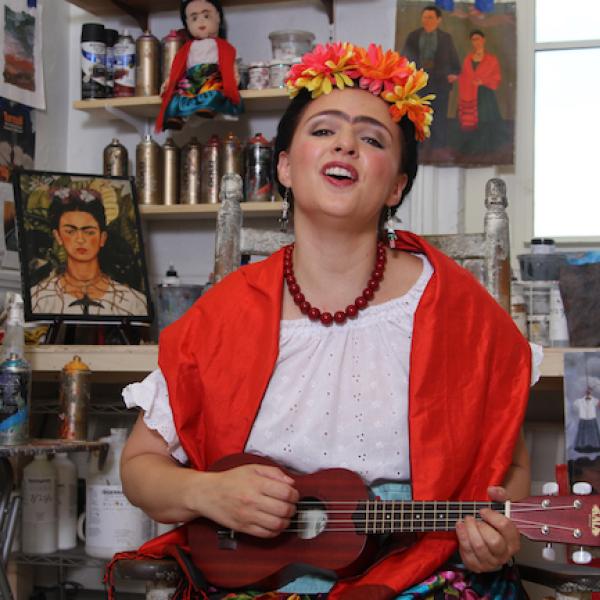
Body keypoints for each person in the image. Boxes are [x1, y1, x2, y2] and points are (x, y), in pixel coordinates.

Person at [115, 42, 539, 599]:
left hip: (418, 568)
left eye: (372, 138)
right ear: (285, 168)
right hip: (259, 578)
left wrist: (498, 533)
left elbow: (509, 467)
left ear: (396, 186)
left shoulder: (457, 308)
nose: (345, 143)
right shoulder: (225, 313)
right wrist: (207, 495)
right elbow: (140, 468)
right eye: (323, 130)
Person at [30, 188, 148, 317]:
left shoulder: (133, 302)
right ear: (58, 236)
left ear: (102, 238)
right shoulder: (38, 299)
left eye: (89, 232)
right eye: (70, 231)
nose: (80, 239)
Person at [155, 0, 242, 132]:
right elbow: (177, 69)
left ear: (217, 17)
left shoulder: (222, 46)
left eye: (206, 16)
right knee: (179, 94)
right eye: (194, 18)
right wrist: (168, 83)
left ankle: (208, 107)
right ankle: (177, 117)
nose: (200, 22)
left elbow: (229, 64)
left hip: (212, 74)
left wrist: (234, 77)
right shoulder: (186, 49)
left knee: (212, 88)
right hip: (192, 76)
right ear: (187, 23)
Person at [402, 5, 460, 153]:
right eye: (424, 17)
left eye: (430, 17)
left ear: (439, 20)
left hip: (440, 83)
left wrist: (454, 74)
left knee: (439, 115)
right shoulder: (413, 36)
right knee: (417, 115)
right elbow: (403, 59)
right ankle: (418, 148)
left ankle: (438, 147)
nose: (426, 20)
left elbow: (455, 62)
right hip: (418, 83)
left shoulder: (446, 39)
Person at [457, 30, 506, 157]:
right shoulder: (468, 59)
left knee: (485, 121)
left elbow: (497, 78)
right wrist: (459, 78)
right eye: (473, 40)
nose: (476, 42)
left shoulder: (492, 60)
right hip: (469, 94)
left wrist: (482, 81)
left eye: (478, 39)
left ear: (483, 40)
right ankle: (472, 149)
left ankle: (486, 150)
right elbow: (464, 76)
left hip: (485, 94)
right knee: (471, 123)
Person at [573, 388, 600, 454]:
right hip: (583, 418)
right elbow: (575, 406)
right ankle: (582, 447)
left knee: (593, 434)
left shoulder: (595, 400)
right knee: (582, 433)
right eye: (587, 392)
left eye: (589, 392)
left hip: (592, 418)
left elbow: (598, 405)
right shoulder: (579, 401)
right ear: (585, 392)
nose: (588, 393)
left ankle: (595, 446)